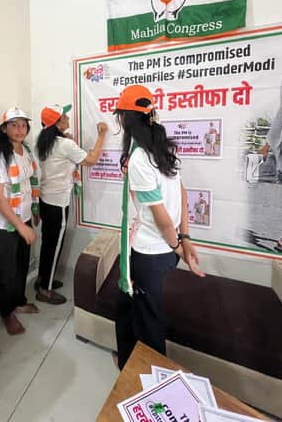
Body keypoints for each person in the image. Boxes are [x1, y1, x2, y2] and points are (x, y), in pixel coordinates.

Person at [113, 85, 205, 370]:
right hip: (158, 249)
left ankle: (153, 378)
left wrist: (179, 246)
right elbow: (183, 194)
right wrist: (184, 239)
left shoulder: (141, 159)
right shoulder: (163, 149)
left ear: (123, 119)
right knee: (125, 304)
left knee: (149, 322)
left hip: (151, 254)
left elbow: (162, 217)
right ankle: (127, 361)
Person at [35, 103, 108, 304]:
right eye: (64, 116)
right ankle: (45, 289)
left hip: (46, 199)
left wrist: (66, 138)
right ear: (57, 123)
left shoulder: (44, 141)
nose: (68, 118)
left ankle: (43, 279)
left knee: (48, 243)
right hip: (58, 203)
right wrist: (102, 135)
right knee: (54, 245)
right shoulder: (64, 144)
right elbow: (91, 160)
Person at [0, 108, 40, 336]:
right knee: (6, 273)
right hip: (7, 225)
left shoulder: (26, 150)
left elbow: (30, 182)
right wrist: (19, 226)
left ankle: (19, 302)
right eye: (14, 125)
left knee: (21, 266)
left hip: (24, 219)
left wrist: (34, 209)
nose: (20, 130)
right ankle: (7, 313)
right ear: (4, 128)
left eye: (23, 125)